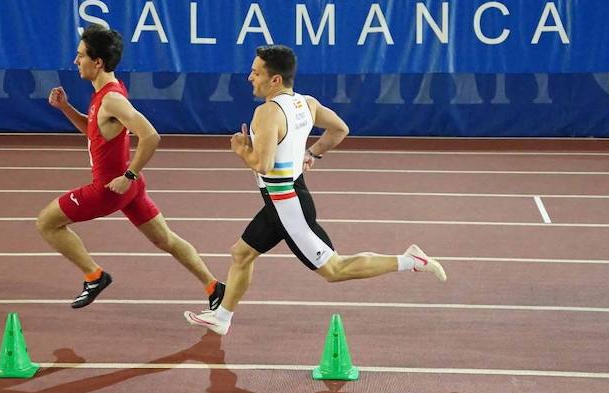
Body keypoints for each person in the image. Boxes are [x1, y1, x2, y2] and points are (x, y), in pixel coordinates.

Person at [183, 44, 447, 336]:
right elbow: (340, 129)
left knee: (335, 270)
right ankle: (222, 316)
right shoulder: (306, 103)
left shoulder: (267, 113)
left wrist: (241, 150)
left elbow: (263, 164)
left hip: (287, 204)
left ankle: (412, 260)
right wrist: (314, 153)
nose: (249, 78)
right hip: (285, 199)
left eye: (256, 73)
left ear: (275, 80)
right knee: (242, 253)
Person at [36, 26, 225, 311]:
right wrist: (65, 108)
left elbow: (151, 136)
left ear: (97, 62)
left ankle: (94, 276)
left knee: (46, 223)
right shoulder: (108, 92)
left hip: (109, 189)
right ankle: (214, 286)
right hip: (131, 190)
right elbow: (95, 130)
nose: (75, 61)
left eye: (80, 55)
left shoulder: (112, 99)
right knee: (166, 239)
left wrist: (128, 175)